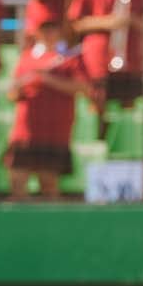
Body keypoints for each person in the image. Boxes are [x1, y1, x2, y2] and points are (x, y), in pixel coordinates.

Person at [8, 17, 86, 198]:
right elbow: (12, 94)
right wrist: (18, 88)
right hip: (26, 131)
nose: (49, 35)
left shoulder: (69, 59)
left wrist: (46, 78)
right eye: (45, 30)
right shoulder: (26, 58)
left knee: (49, 183)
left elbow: (82, 87)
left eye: (53, 30)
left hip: (54, 131)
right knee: (17, 181)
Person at [68, 0, 143, 106]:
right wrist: (108, 22)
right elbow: (76, 22)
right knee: (98, 102)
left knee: (128, 106)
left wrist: (131, 20)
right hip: (99, 58)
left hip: (129, 60)